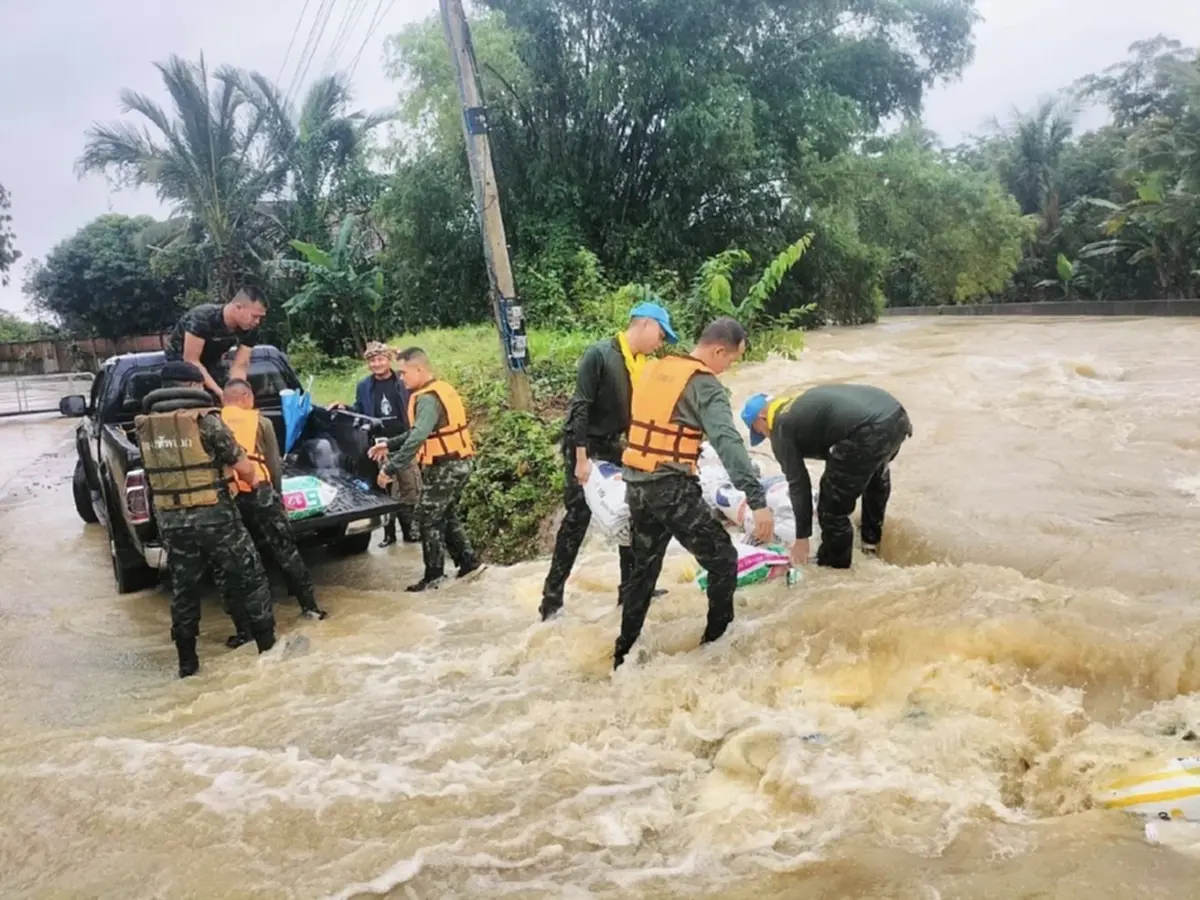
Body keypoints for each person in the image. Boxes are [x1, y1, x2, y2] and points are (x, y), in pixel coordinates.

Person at [614, 317, 774, 669]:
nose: (728, 368)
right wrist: (757, 502)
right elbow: (729, 444)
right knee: (724, 560)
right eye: (730, 360)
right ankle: (716, 647)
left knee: (644, 569)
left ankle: (623, 654)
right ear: (718, 350)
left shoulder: (655, 368)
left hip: (636, 482)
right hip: (670, 488)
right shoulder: (705, 385)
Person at [133, 361, 276, 678]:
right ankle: (270, 652)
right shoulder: (206, 421)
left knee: (184, 592)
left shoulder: (145, 425)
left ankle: (187, 664)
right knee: (251, 577)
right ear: (192, 386)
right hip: (217, 517)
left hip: (172, 522)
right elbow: (245, 468)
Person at [539, 301, 675, 621]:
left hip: (618, 449)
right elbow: (580, 410)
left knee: (632, 516)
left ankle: (630, 590)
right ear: (643, 324)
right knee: (576, 523)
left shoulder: (641, 363)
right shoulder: (599, 355)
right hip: (585, 447)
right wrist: (581, 459)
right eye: (660, 333)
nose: (661, 342)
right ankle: (551, 600)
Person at [741, 384, 912, 570]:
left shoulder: (781, 427)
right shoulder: (799, 403)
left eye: (759, 431)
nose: (764, 435)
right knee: (875, 478)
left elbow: (799, 485)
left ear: (762, 418)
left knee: (831, 510)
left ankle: (837, 570)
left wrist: (801, 538)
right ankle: (870, 546)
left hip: (867, 431)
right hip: (896, 416)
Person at [368, 348, 486, 592]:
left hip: (447, 465)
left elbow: (418, 437)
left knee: (428, 518)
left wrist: (390, 467)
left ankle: (434, 577)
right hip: (456, 463)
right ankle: (469, 564)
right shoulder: (437, 390)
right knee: (446, 513)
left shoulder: (428, 398)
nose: (401, 378)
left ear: (419, 370)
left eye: (404, 373)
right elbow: (417, 432)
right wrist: (387, 444)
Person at [220, 378, 327, 645]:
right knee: (285, 549)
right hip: (260, 492)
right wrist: (277, 496)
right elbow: (273, 464)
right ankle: (310, 608)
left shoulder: (212, 423)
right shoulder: (262, 422)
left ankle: (243, 631)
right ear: (246, 397)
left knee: (234, 561)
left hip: (228, 496)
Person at [329, 341, 419, 547]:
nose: (376, 364)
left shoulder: (402, 380)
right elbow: (360, 409)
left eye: (380, 359)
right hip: (377, 444)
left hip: (403, 441)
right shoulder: (364, 386)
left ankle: (409, 530)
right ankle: (389, 534)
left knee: (409, 486)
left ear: (388, 360)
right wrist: (344, 407)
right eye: (372, 360)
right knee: (384, 488)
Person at [164, 287, 269, 397]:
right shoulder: (202, 317)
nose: (257, 321)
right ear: (238, 307)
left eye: (260, 317)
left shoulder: (250, 327)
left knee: (231, 392)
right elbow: (191, 360)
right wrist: (220, 393)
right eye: (254, 316)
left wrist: (236, 391)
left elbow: (240, 365)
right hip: (181, 366)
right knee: (197, 395)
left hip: (212, 361)